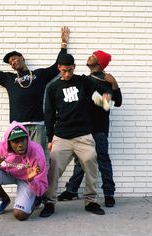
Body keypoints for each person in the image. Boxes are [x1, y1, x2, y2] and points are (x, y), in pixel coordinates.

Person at [39, 53, 113, 217]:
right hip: (62, 136)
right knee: (54, 170)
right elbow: (49, 115)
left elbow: (104, 93)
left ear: (74, 67)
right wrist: (50, 139)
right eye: (64, 71)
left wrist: (109, 94)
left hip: (83, 136)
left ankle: (91, 201)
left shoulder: (83, 81)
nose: (67, 74)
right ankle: (49, 203)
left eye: (70, 70)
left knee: (91, 164)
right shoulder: (52, 88)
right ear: (59, 68)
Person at [0, 27, 69, 151]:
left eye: (14, 59)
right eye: (10, 62)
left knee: (39, 157)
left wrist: (64, 44)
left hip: (37, 124)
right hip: (17, 126)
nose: (12, 62)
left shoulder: (39, 75)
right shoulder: (9, 78)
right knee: (18, 158)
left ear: (22, 58)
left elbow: (57, 67)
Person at [57, 50, 122, 208]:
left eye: (94, 55)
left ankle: (108, 193)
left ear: (99, 62)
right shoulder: (84, 80)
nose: (90, 56)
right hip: (82, 127)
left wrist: (114, 84)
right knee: (80, 160)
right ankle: (72, 190)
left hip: (99, 127)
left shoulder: (106, 80)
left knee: (102, 159)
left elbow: (114, 103)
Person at [0, 121, 48, 221]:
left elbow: (43, 185)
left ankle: (35, 198)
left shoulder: (36, 151)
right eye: (15, 141)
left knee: (20, 215)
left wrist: (32, 180)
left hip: (27, 179)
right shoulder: (0, 148)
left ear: (27, 138)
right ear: (8, 142)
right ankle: (4, 199)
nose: (20, 145)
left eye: (23, 140)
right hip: (9, 174)